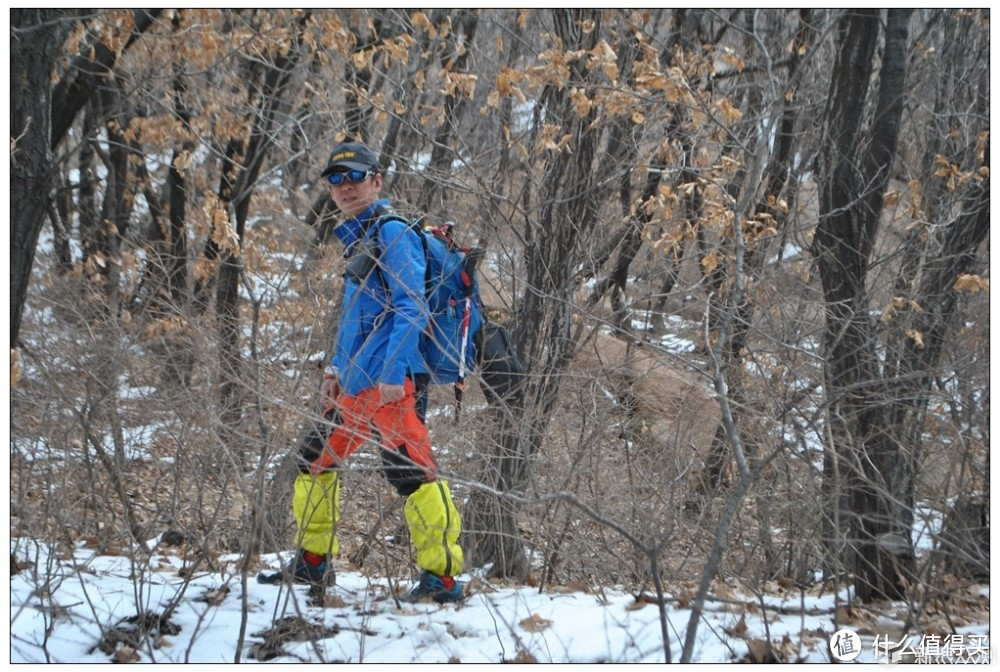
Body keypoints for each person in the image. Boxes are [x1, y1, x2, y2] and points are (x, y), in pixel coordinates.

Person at [260, 142, 464, 603]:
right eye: (335, 179)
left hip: (393, 381)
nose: (344, 187)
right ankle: (313, 565)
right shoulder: (359, 233)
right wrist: (335, 367)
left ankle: (444, 580)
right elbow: (357, 314)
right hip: (354, 381)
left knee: (414, 475)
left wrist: (393, 373)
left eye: (354, 177)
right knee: (313, 462)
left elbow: (411, 306)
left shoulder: (392, 232)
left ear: (377, 180)